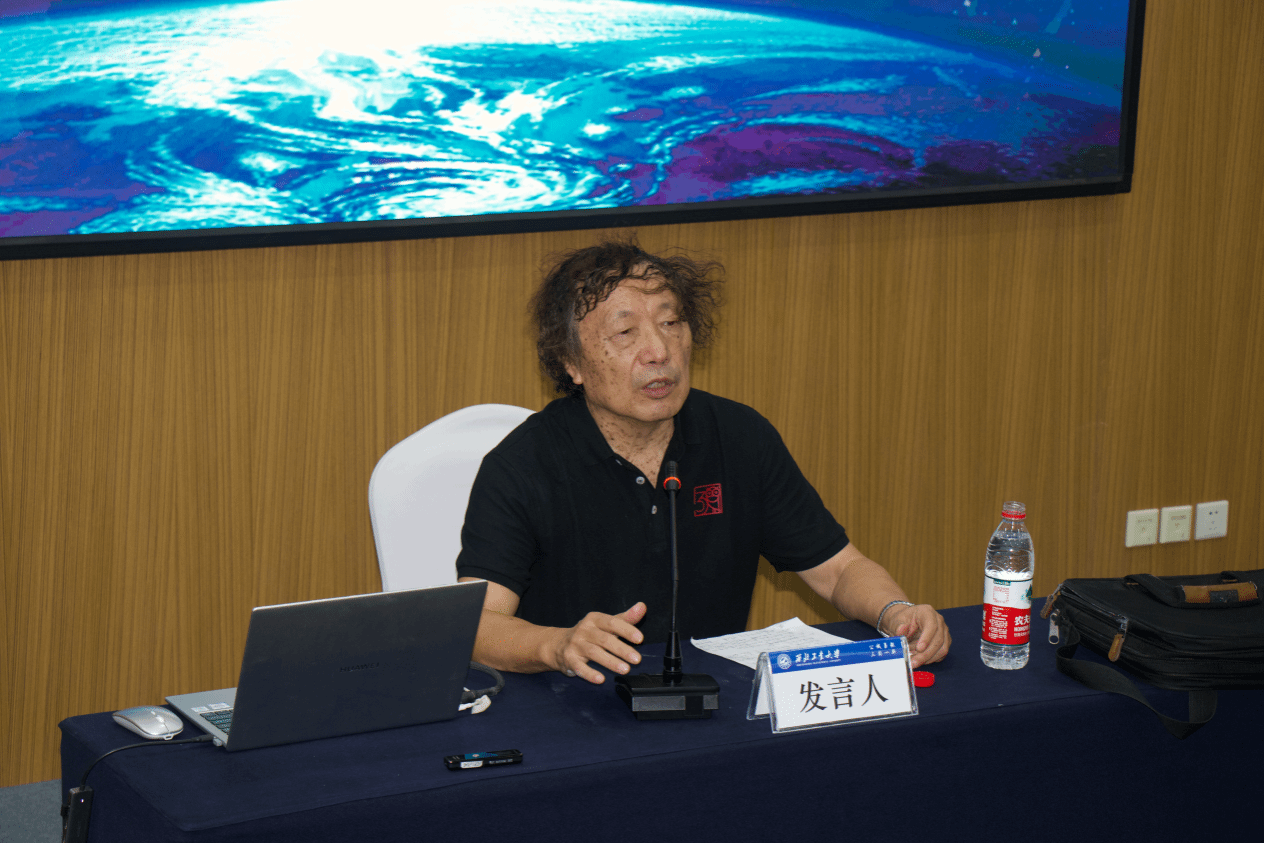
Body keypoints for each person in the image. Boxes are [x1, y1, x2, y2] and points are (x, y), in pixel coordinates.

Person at [456, 239, 950, 684]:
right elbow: (477, 626)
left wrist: (895, 612)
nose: (659, 350)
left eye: (671, 323)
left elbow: (839, 569)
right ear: (571, 363)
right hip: (572, 704)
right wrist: (558, 645)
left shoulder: (739, 436)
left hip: (714, 702)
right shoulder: (522, 466)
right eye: (625, 332)